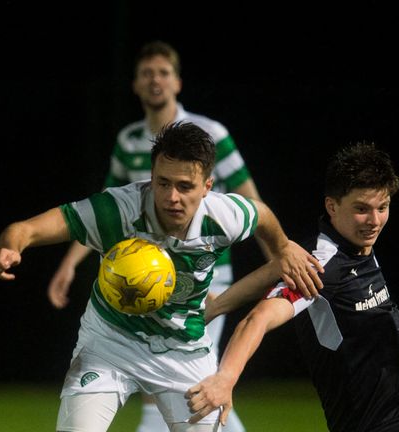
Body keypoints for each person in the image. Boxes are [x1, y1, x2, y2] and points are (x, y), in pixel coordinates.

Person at [0, 122, 323, 432]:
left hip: (184, 351)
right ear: (151, 175)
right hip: (109, 343)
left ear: (207, 186)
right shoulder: (117, 210)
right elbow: (26, 229)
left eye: (184, 186)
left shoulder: (224, 216)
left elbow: (261, 214)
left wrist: (282, 247)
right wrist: (10, 248)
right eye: (162, 182)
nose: (171, 196)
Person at [185, 142, 399, 432]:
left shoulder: (352, 246)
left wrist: (218, 305)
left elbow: (278, 265)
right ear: (331, 206)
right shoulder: (321, 265)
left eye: (383, 207)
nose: (375, 220)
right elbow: (259, 318)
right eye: (362, 209)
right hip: (375, 423)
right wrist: (226, 377)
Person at [46, 40, 263, 432]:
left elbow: (252, 203)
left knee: (191, 384)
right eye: (147, 73)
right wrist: (68, 265)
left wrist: (276, 258)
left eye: (163, 72)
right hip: (138, 271)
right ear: (135, 84)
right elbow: (104, 215)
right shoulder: (129, 141)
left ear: (178, 82)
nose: (155, 80)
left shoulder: (211, 133)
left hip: (200, 276)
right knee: (198, 388)